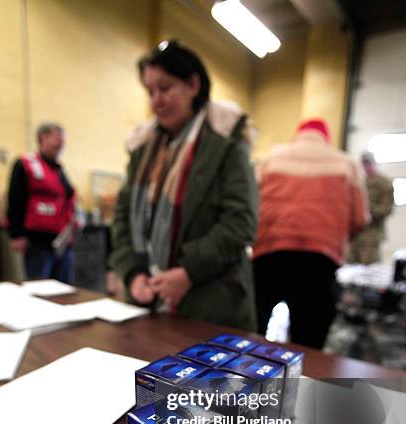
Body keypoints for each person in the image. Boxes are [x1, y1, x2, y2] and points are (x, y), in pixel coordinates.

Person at [111, 40, 257, 330]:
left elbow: (240, 222)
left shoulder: (225, 141)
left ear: (193, 84)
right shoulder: (143, 149)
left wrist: (188, 272)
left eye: (165, 88)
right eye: (150, 92)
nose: (156, 100)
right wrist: (133, 274)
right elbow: (122, 217)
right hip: (149, 301)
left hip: (211, 306)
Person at [253, 118, 369, 349]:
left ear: (298, 135)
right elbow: (360, 218)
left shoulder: (270, 158)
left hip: (269, 256)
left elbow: (249, 206)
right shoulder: (346, 163)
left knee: (251, 338)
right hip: (319, 263)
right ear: (325, 138)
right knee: (308, 347)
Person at [6, 123, 77, 283]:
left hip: (62, 244)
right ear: (42, 138)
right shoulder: (26, 165)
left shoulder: (59, 169)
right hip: (37, 244)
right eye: (57, 139)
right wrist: (16, 234)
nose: (61, 145)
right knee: (40, 288)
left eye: (63, 141)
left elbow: (67, 198)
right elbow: (15, 199)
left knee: (64, 290)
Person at [348, 152, 394, 264]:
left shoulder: (384, 183)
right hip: (355, 234)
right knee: (349, 267)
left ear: (374, 163)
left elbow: (387, 209)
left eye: (369, 164)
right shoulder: (358, 181)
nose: (366, 167)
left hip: (372, 235)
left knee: (369, 269)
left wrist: (366, 211)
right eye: (364, 164)